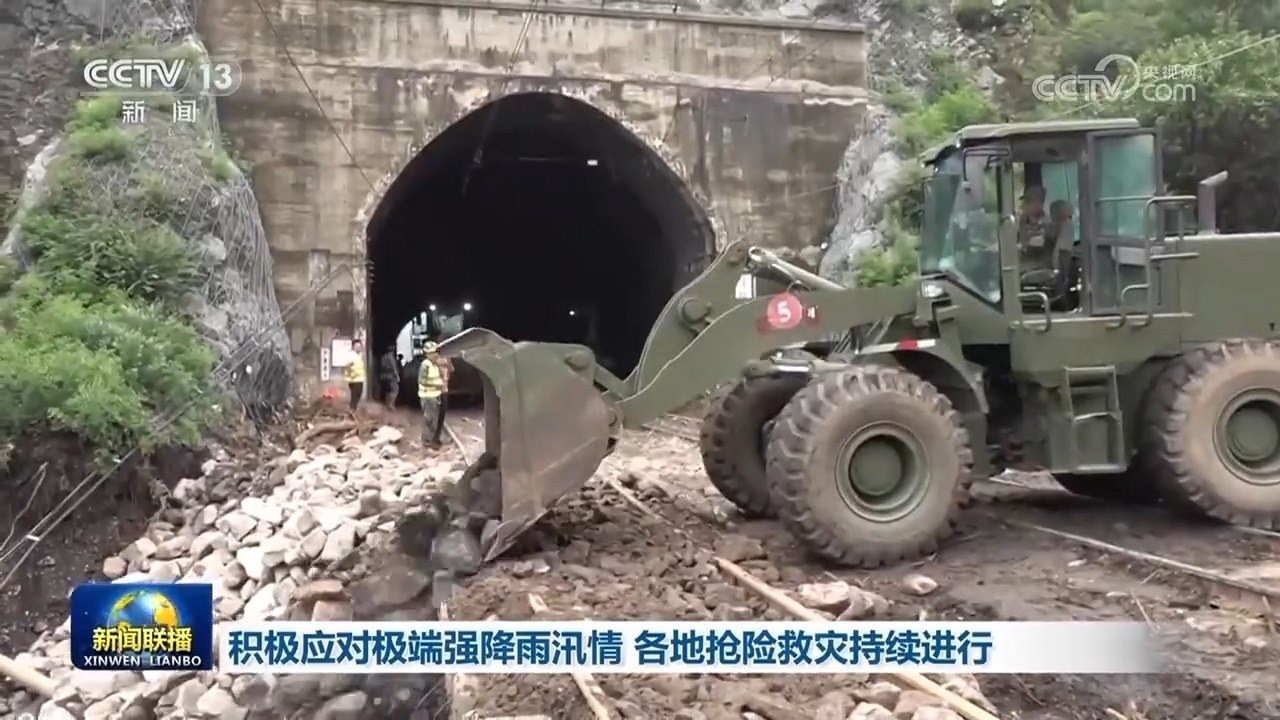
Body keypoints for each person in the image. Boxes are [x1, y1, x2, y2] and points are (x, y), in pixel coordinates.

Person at [417, 341, 450, 448]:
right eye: (433, 353)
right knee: (429, 418)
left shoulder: (434, 364)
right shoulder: (425, 365)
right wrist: (438, 385)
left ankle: (434, 439)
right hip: (428, 396)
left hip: (435, 395)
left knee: (434, 418)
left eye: (436, 352)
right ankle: (428, 441)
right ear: (427, 354)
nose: (435, 354)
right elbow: (422, 381)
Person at [344, 340, 366, 412]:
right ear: (353, 347)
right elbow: (347, 365)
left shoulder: (358, 355)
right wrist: (351, 375)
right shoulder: (351, 355)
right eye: (357, 346)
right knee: (355, 397)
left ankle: (353, 411)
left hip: (359, 379)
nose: (358, 348)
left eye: (359, 346)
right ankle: (352, 411)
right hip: (354, 379)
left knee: (357, 396)